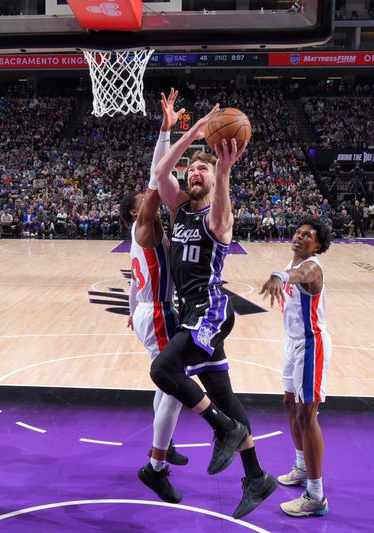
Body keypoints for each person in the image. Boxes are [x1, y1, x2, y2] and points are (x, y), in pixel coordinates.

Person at [150, 105, 276, 519]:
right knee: (223, 394)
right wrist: (190, 133)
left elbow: (222, 206)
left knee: (163, 371)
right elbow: (159, 173)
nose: (195, 173)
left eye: (202, 169)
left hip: (211, 309)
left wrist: (222, 170)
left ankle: (223, 429)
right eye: (193, 170)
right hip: (191, 311)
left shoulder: (216, 217)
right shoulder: (179, 209)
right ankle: (256, 476)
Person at [122, 89, 188, 504]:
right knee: (176, 387)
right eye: (144, 202)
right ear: (135, 212)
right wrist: (165, 133)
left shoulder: (148, 232)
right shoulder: (144, 225)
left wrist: (132, 311)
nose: (152, 201)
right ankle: (157, 465)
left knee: (168, 388)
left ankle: (164, 442)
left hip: (152, 311)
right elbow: (155, 180)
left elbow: (132, 283)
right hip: (159, 313)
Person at [259, 218, 332, 517]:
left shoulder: (312, 267)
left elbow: (300, 274)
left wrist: (279, 275)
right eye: (298, 233)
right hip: (292, 344)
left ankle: (316, 496)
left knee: (307, 416)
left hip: (311, 345)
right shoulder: (295, 260)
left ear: (317, 245)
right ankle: (302, 467)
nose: (300, 238)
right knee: (290, 404)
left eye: (308, 236)